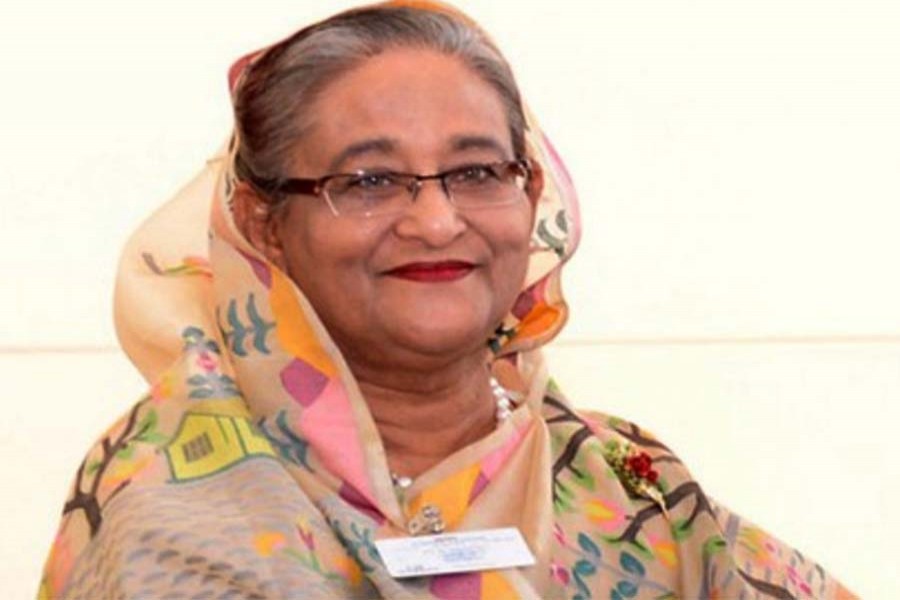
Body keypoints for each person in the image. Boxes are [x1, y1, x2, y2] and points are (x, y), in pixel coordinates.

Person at [39, 2, 855, 598]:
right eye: (369, 181)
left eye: (476, 172)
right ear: (264, 222)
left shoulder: (625, 484)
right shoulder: (177, 501)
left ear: (530, 194)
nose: (436, 221)